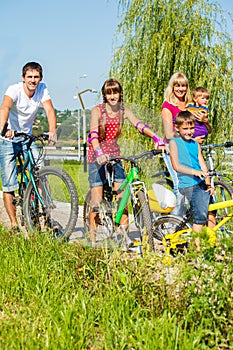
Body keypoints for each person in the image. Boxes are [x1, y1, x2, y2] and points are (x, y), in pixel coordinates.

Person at [87, 78, 164, 247]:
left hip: (114, 155)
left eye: (115, 92)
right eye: (109, 93)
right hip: (96, 155)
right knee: (97, 199)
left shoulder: (123, 111)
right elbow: (93, 134)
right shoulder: (97, 111)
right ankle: (92, 240)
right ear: (104, 95)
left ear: (120, 93)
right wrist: (99, 152)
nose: (112, 96)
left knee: (123, 197)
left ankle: (126, 239)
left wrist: (156, 137)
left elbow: (139, 125)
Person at [0, 61, 57, 232]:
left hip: (26, 137)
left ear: (41, 78)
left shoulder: (42, 89)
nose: (33, 80)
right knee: (9, 183)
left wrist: (52, 131)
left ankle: (47, 216)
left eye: (36, 77)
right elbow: (5, 107)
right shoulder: (14, 90)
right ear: (23, 78)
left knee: (41, 172)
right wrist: (4, 129)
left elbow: (49, 109)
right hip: (8, 138)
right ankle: (14, 224)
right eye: (30, 77)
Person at [169, 111, 215, 235]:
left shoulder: (195, 144)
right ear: (177, 128)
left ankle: (211, 242)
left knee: (211, 211)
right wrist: (194, 172)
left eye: (192, 128)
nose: (189, 131)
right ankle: (196, 250)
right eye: (185, 128)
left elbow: (202, 164)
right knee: (200, 217)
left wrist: (208, 184)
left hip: (201, 183)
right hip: (188, 184)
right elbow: (176, 166)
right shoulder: (174, 143)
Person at [161, 72, 192, 216]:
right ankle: (174, 223)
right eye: (177, 85)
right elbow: (168, 133)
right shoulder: (168, 106)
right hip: (173, 148)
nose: (181, 89)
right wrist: (186, 134)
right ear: (172, 87)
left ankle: (191, 220)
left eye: (184, 85)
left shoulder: (190, 105)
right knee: (179, 184)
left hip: (190, 149)